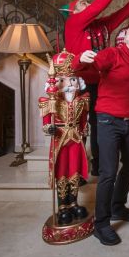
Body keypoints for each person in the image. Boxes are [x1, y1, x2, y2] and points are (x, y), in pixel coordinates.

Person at [63, 0, 129, 176]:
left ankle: (98, 164)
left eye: (87, 2)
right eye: (82, 3)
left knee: (96, 123)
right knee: (77, 126)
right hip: (78, 81)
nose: (88, 4)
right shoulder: (73, 23)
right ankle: (75, 171)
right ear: (74, 12)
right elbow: (96, 8)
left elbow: (123, 13)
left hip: (99, 80)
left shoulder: (101, 26)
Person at [74, 24, 129, 246]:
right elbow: (86, 67)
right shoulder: (112, 53)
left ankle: (117, 206)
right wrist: (80, 59)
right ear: (123, 37)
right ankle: (101, 224)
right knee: (108, 172)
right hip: (108, 120)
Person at [39, 50, 90, 226]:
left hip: (75, 140)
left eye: (72, 80)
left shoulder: (81, 101)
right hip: (60, 141)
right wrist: (50, 128)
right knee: (61, 172)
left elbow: (83, 120)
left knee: (74, 171)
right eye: (62, 80)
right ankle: (62, 207)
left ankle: (73, 203)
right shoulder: (50, 102)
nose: (68, 84)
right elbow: (46, 123)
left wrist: (84, 130)